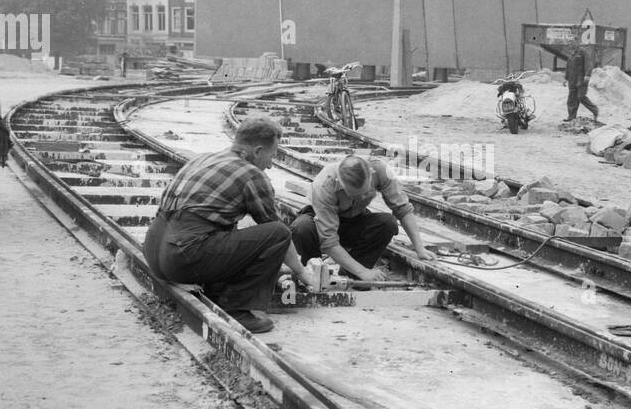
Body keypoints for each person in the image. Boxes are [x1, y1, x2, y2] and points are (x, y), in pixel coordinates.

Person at [143, 116, 310, 334]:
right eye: (272, 154)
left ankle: (217, 290)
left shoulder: (203, 159)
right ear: (257, 151)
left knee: (225, 228)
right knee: (277, 233)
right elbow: (276, 231)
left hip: (154, 251)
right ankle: (236, 309)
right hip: (182, 258)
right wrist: (301, 271)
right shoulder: (252, 174)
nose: (271, 163)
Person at [291, 154, 435, 281]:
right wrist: (364, 272)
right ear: (340, 183)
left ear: (370, 173)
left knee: (387, 223)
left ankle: (352, 272)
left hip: (354, 220)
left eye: (365, 192)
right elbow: (328, 241)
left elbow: (402, 208)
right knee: (301, 228)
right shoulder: (325, 185)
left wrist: (419, 248)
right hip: (321, 223)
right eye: (354, 195)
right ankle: (312, 273)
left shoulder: (380, 169)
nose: (362, 197)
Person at [564, 44, 599, 122]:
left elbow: (588, 64)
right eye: (570, 43)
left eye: (573, 42)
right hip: (572, 80)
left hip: (581, 79)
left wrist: (587, 75)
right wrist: (566, 78)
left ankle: (594, 110)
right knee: (571, 99)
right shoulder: (571, 55)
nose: (571, 44)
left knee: (580, 96)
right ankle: (571, 117)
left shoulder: (582, 52)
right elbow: (568, 67)